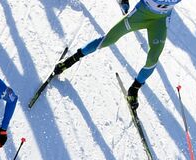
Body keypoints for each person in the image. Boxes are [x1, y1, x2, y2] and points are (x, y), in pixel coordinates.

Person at [50, 0, 183, 110]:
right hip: (140, 14)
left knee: (153, 58)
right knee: (108, 39)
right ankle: (71, 60)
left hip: (160, 20)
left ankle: (134, 89)